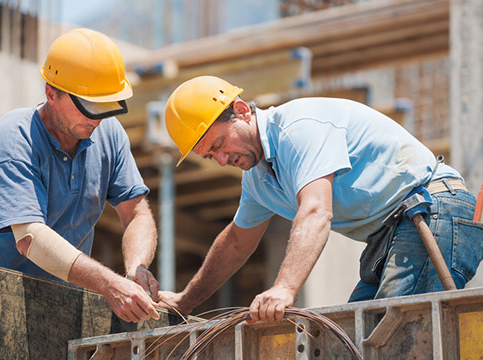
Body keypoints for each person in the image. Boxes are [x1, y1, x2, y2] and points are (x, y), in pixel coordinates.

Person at [158, 75, 483, 323]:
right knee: (352, 339)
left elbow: (315, 211)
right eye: (210, 155)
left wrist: (284, 288)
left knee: (393, 335)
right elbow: (236, 244)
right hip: (396, 232)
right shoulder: (258, 180)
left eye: (219, 144)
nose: (221, 159)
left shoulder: (298, 129)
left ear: (241, 111)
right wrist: (186, 301)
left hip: (434, 210)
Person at [0, 28, 160, 323]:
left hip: (62, 308)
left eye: (105, 106)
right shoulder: (15, 137)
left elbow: (136, 214)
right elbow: (30, 238)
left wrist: (137, 268)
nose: (96, 118)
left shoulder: (109, 134)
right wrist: (108, 284)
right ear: (51, 94)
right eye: (88, 106)